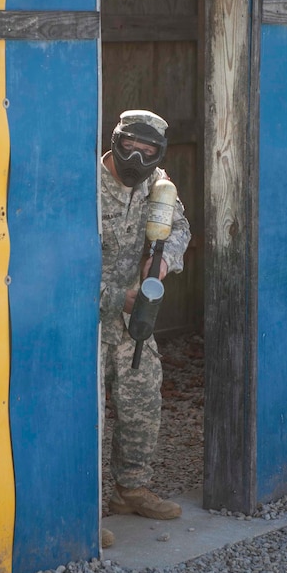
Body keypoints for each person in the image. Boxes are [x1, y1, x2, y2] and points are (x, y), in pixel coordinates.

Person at [99, 110, 192, 549]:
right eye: (131, 146)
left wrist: (163, 261)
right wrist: (119, 297)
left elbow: (180, 229)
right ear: (116, 141)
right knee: (86, 416)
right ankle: (79, 510)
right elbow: (63, 265)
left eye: (149, 151)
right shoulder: (86, 186)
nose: (137, 157)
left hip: (132, 320)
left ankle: (130, 491)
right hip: (88, 317)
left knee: (142, 400)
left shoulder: (159, 188)